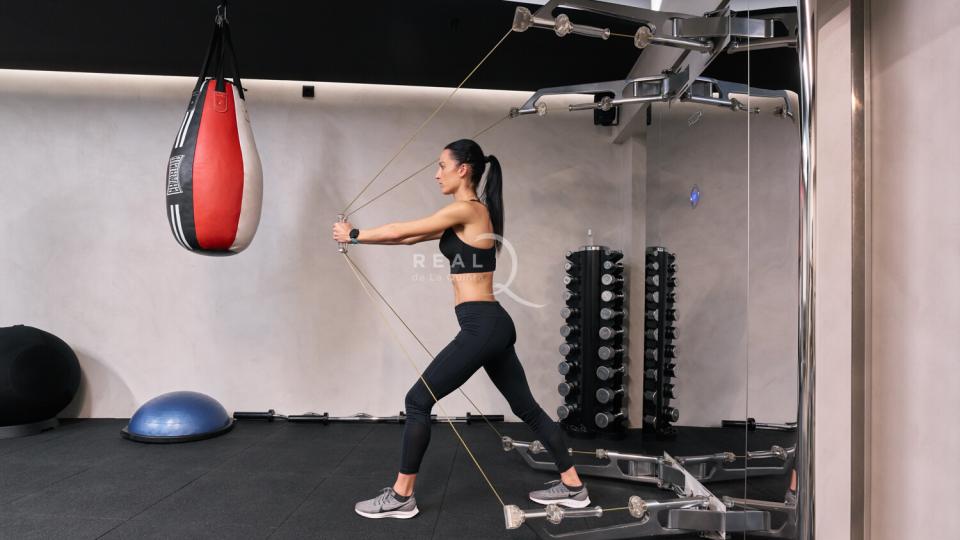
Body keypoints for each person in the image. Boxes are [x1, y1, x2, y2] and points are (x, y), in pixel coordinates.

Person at [333, 139, 589, 519]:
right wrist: (361, 238)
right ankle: (574, 487)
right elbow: (410, 237)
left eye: (442, 166)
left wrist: (354, 234)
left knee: (417, 401)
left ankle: (402, 496)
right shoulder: (465, 216)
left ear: (463, 169)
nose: (437, 174)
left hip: (481, 326)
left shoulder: (468, 210)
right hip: (491, 324)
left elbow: (402, 229)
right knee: (527, 408)